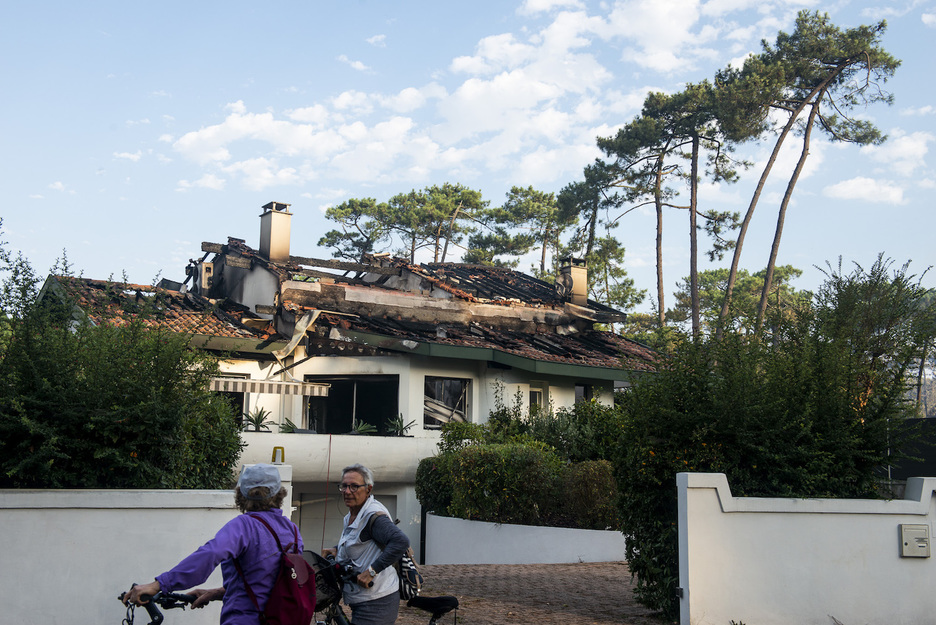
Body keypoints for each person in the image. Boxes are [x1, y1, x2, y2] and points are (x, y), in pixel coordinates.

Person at [122, 464, 302, 625]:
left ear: (241, 494)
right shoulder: (292, 531)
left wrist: (157, 585)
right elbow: (273, 582)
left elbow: (210, 554)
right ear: (279, 493)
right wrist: (216, 593)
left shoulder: (244, 525)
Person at [322, 463, 409, 625]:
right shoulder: (352, 514)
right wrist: (336, 549)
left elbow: (400, 541)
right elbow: (360, 542)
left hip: (377, 601)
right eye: (344, 486)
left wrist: (372, 571)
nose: (347, 491)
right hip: (362, 598)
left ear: (368, 489)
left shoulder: (372, 516)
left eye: (354, 486)